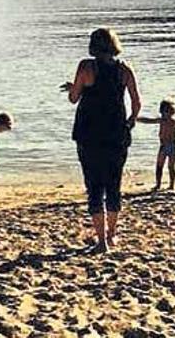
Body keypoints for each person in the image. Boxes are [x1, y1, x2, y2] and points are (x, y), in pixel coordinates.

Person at [62, 28, 140, 254]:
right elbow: (136, 102)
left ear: (93, 46)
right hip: (116, 132)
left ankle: (101, 242)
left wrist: (74, 89)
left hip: (89, 133)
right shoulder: (124, 69)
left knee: (94, 185)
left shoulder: (86, 67)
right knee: (114, 184)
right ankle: (112, 235)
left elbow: (74, 98)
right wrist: (131, 121)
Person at [137, 99, 175, 192]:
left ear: (172, 112)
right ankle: (158, 185)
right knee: (159, 166)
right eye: (164, 112)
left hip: (172, 146)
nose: (166, 114)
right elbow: (148, 120)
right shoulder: (162, 120)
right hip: (164, 146)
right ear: (161, 112)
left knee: (170, 167)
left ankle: (171, 185)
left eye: (168, 112)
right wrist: (136, 118)